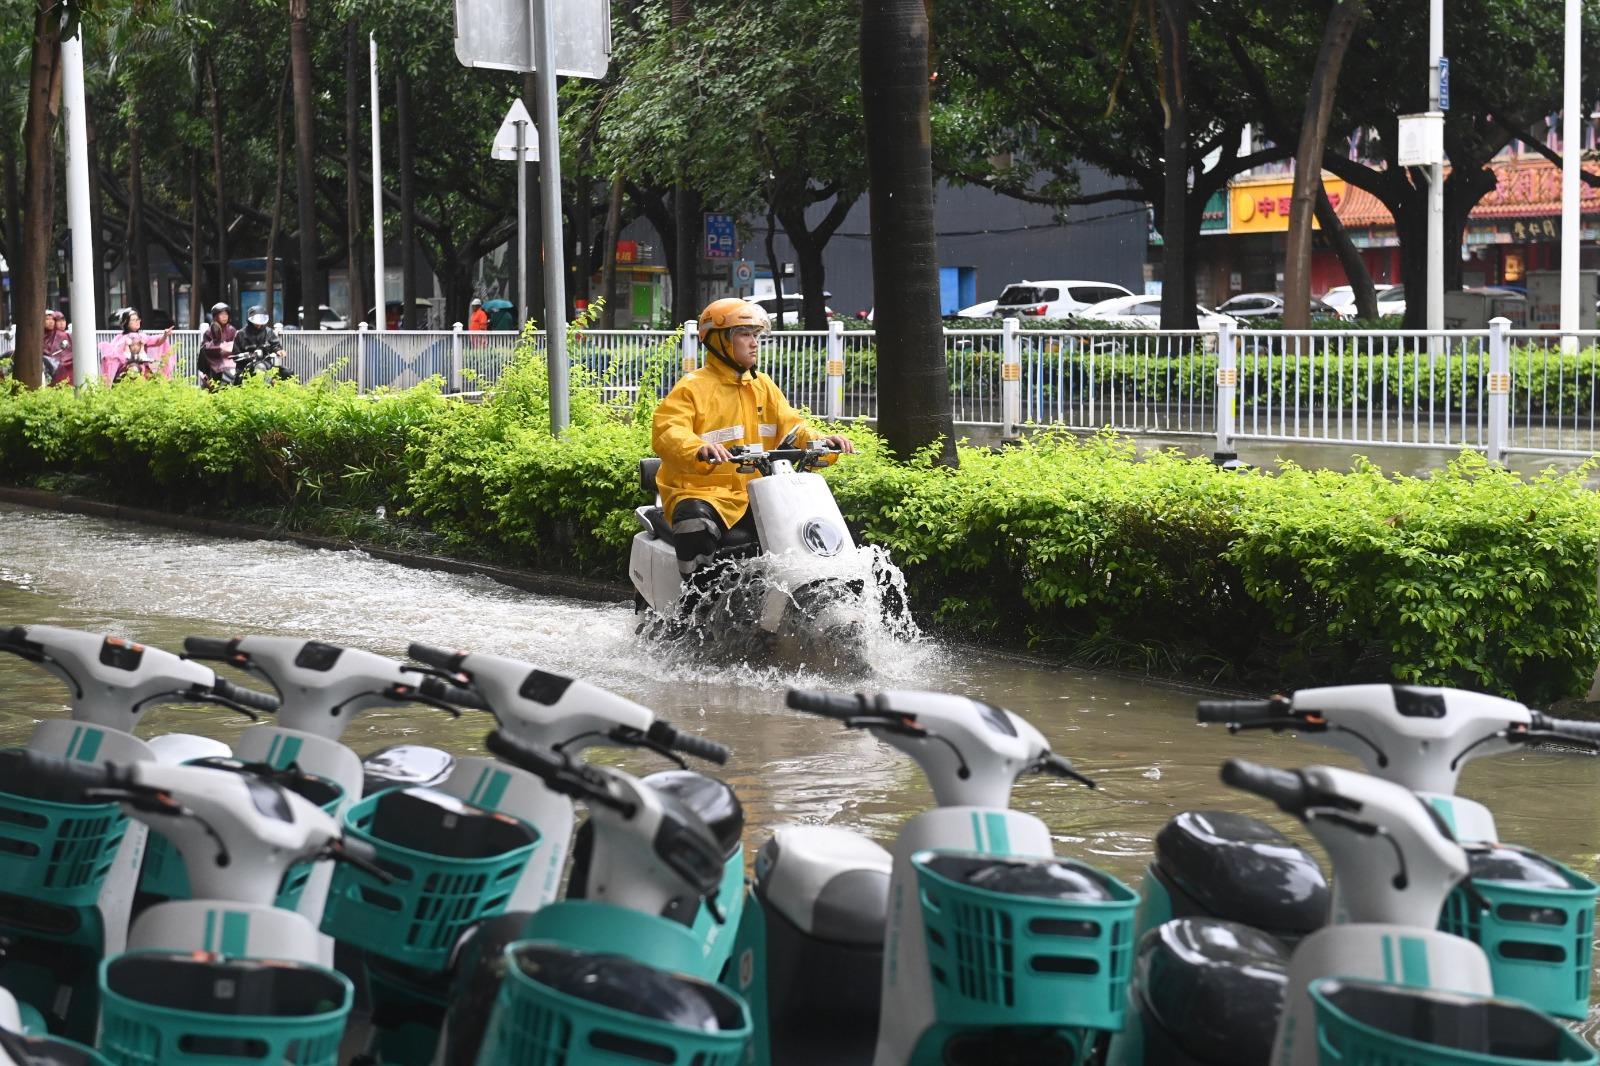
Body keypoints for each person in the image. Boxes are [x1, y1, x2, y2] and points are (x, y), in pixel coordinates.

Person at [651, 297, 854, 587]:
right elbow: (668, 431)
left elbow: (794, 429)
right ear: (720, 340)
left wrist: (824, 443)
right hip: (704, 493)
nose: (754, 342)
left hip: (755, 493)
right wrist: (698, 449)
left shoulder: (763, 386)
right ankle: (694, 605)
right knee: (694, 520)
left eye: (756, 335)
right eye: (744, 334)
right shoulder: (692, 388)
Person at [198, 301, 236, 387]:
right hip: (215, 361)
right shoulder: (209, 331)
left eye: (226, 314)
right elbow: (205, 347)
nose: (224, 317)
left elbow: (236, 344)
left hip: (230, 360)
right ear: (216, 316)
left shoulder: (231, 329)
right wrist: (219, 347)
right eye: (222, 315)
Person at [43, 310, 73, 385]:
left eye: (52, 319)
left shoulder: (61, 335)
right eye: (47, 319)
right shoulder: (39, 336)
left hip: (60, 369)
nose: (51, 321)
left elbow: (68, 353)